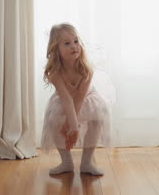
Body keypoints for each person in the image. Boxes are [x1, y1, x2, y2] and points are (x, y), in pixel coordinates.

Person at [41, 23, 112, 176]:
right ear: (56, 49)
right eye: (67, 43)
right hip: (64, 99)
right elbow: (66, 99)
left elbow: (79, 98)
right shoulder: (55, 72)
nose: (74, 46)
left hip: (87, 97)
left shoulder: (86, 68)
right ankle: (66, 162)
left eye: (76, 41)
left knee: (97, 118)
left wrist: (72, 126)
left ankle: (86, 163)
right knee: (55, 119)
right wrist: (71, 126)